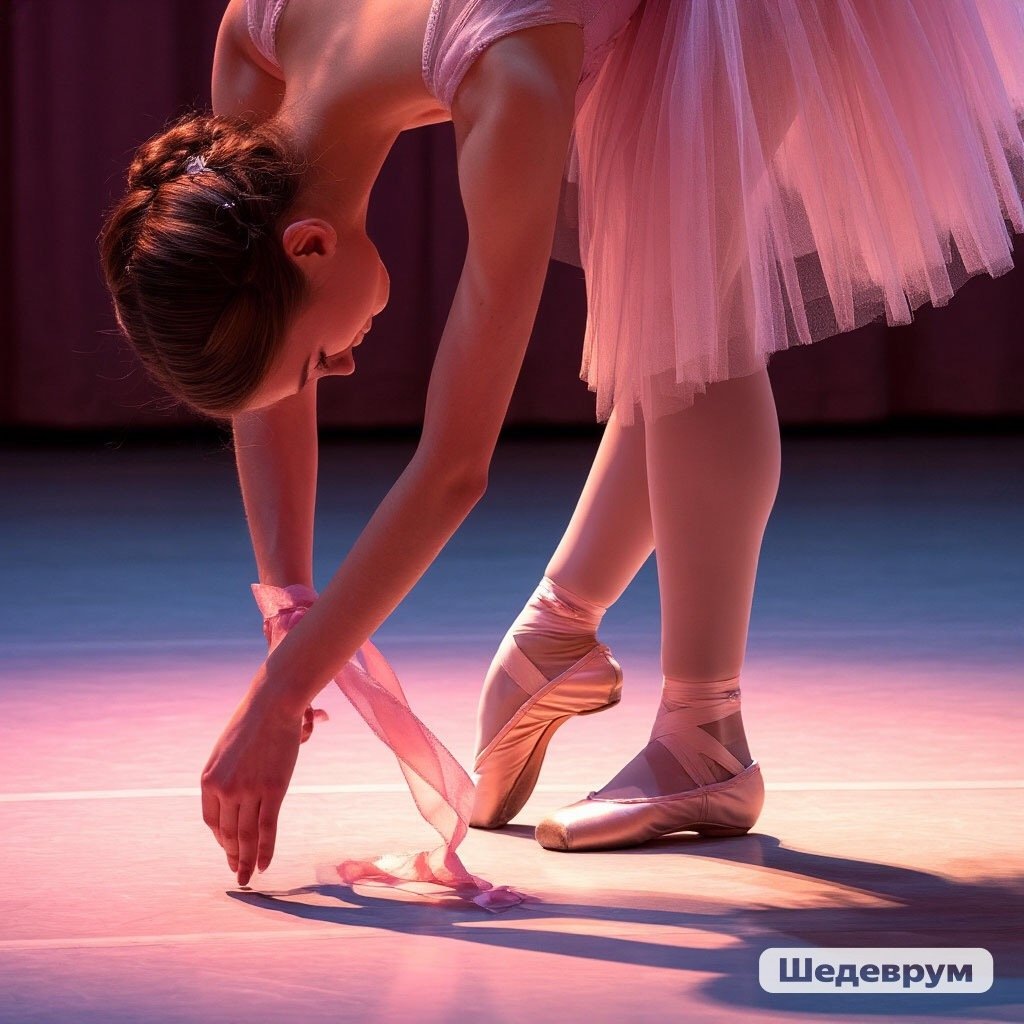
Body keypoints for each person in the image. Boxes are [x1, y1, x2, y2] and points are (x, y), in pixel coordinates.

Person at [98, 0, 1024, 904]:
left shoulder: (508, 78)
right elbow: (264, 386)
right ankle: (560, 633)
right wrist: (288, 610)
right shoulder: (260, 33)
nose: (339, 368)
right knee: (673, 300)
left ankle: (704, 734)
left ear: (309, 246)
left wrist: (281, 693)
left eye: (316, 363)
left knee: (694, 303)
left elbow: (454, 467)